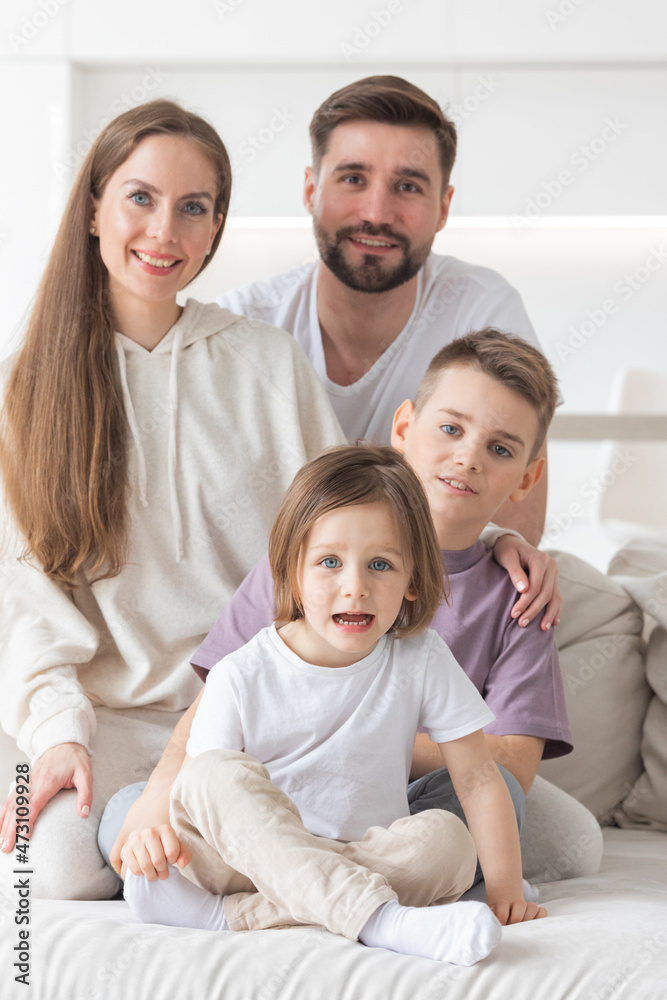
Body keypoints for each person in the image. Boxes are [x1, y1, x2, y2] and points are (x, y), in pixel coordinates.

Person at [105, 331, 601, 896]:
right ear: (404, 427)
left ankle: (287, 884)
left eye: (501, 448)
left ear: (527, 477)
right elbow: (219, 698)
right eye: (450, 428)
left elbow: (507, 762)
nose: (467, 457)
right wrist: (159, 793)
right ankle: (342, 888)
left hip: (391, 811)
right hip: (270, 787)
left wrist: (345, 732)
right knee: (131, 815)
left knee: (504, 802)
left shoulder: (521, 592)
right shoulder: (310, 551)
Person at [0, 98, 345, 900]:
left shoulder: (265, 363)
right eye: (141, 198)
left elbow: (349, 521)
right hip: (102, 715)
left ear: (216, 226)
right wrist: (57, 736)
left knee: (560, 840)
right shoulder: (26, 387)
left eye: (194, 208)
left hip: (247, 711)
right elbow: (22, 599)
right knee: (54, 872)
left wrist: (491, 538)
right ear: (93, 207)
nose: (165, 233)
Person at [121, 443, 547, 966]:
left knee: (447, 842)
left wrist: (506, 890)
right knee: (213, 775)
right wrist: (159, 825)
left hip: (367, 855)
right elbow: (210, 803)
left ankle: (228, 917)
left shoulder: (421, 659)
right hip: (247, 859)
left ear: (413, 579)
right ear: (291, 572)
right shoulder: (241, 672)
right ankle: (383, 921)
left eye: (380, 565)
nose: (356, 588)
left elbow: (479, 778)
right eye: (329, 562)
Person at [217, 75, 549, 546]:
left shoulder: (483, 309)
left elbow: (514, 532)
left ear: (443, 207)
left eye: (407, 186)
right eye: (353, 179)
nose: (376, 212)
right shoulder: (242, 327)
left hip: (439, 598)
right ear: (311, 190)